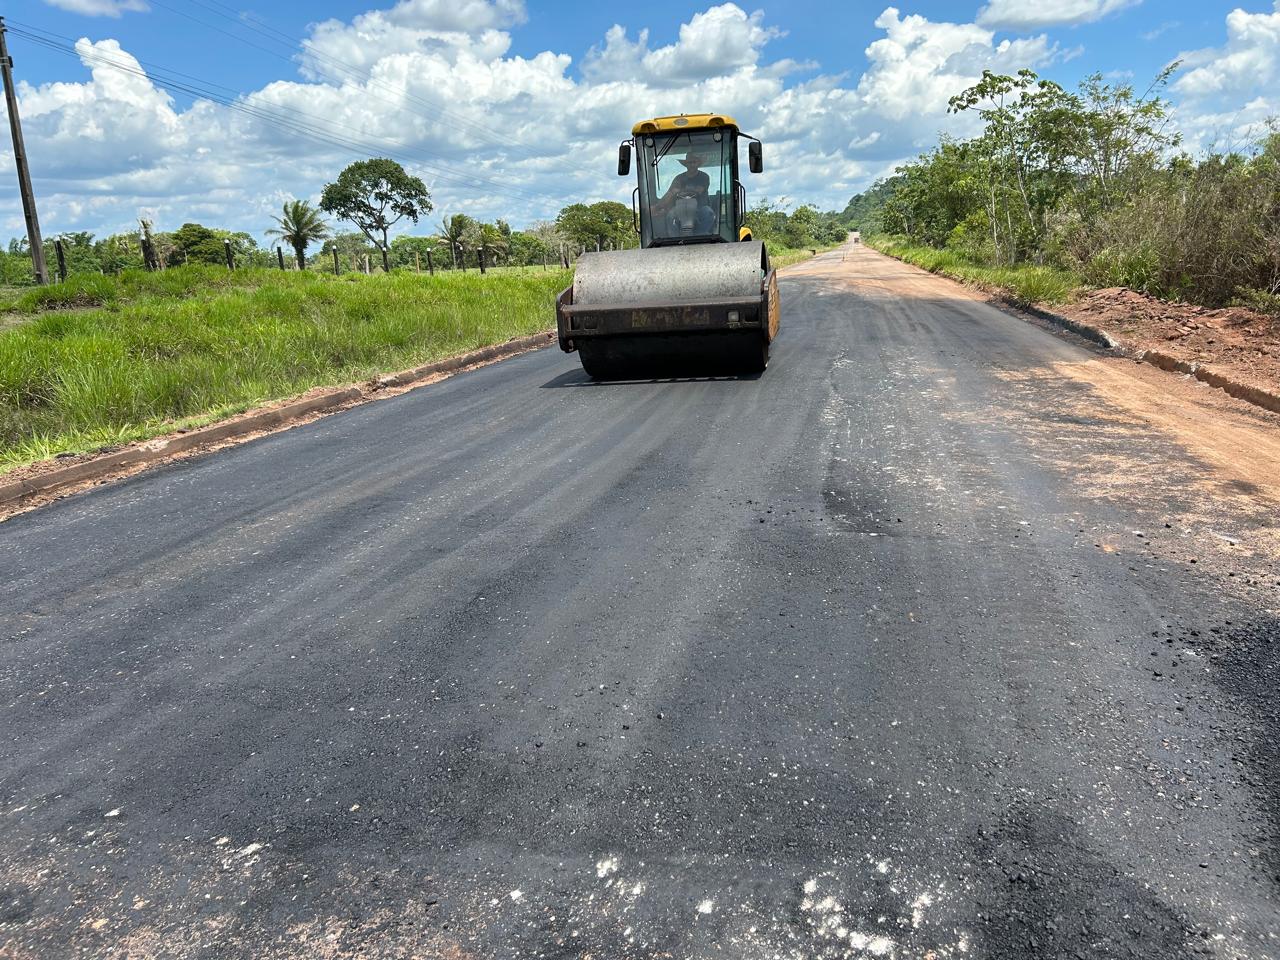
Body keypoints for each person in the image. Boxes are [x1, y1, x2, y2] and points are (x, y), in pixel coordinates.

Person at [653, 151, 716, 235]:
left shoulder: (704, 177)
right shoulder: (679, 178)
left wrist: (679, 190)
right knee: (670, 216)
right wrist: (657, 207)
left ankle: (699, 236)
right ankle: (675, 239)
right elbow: (670, 193)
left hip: (699, 209)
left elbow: (698, 191)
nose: (692, 164)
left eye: (694, 162)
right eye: (689, 162)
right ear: (686, 164)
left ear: (698, 163)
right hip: (680, 209)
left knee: (709, 213)